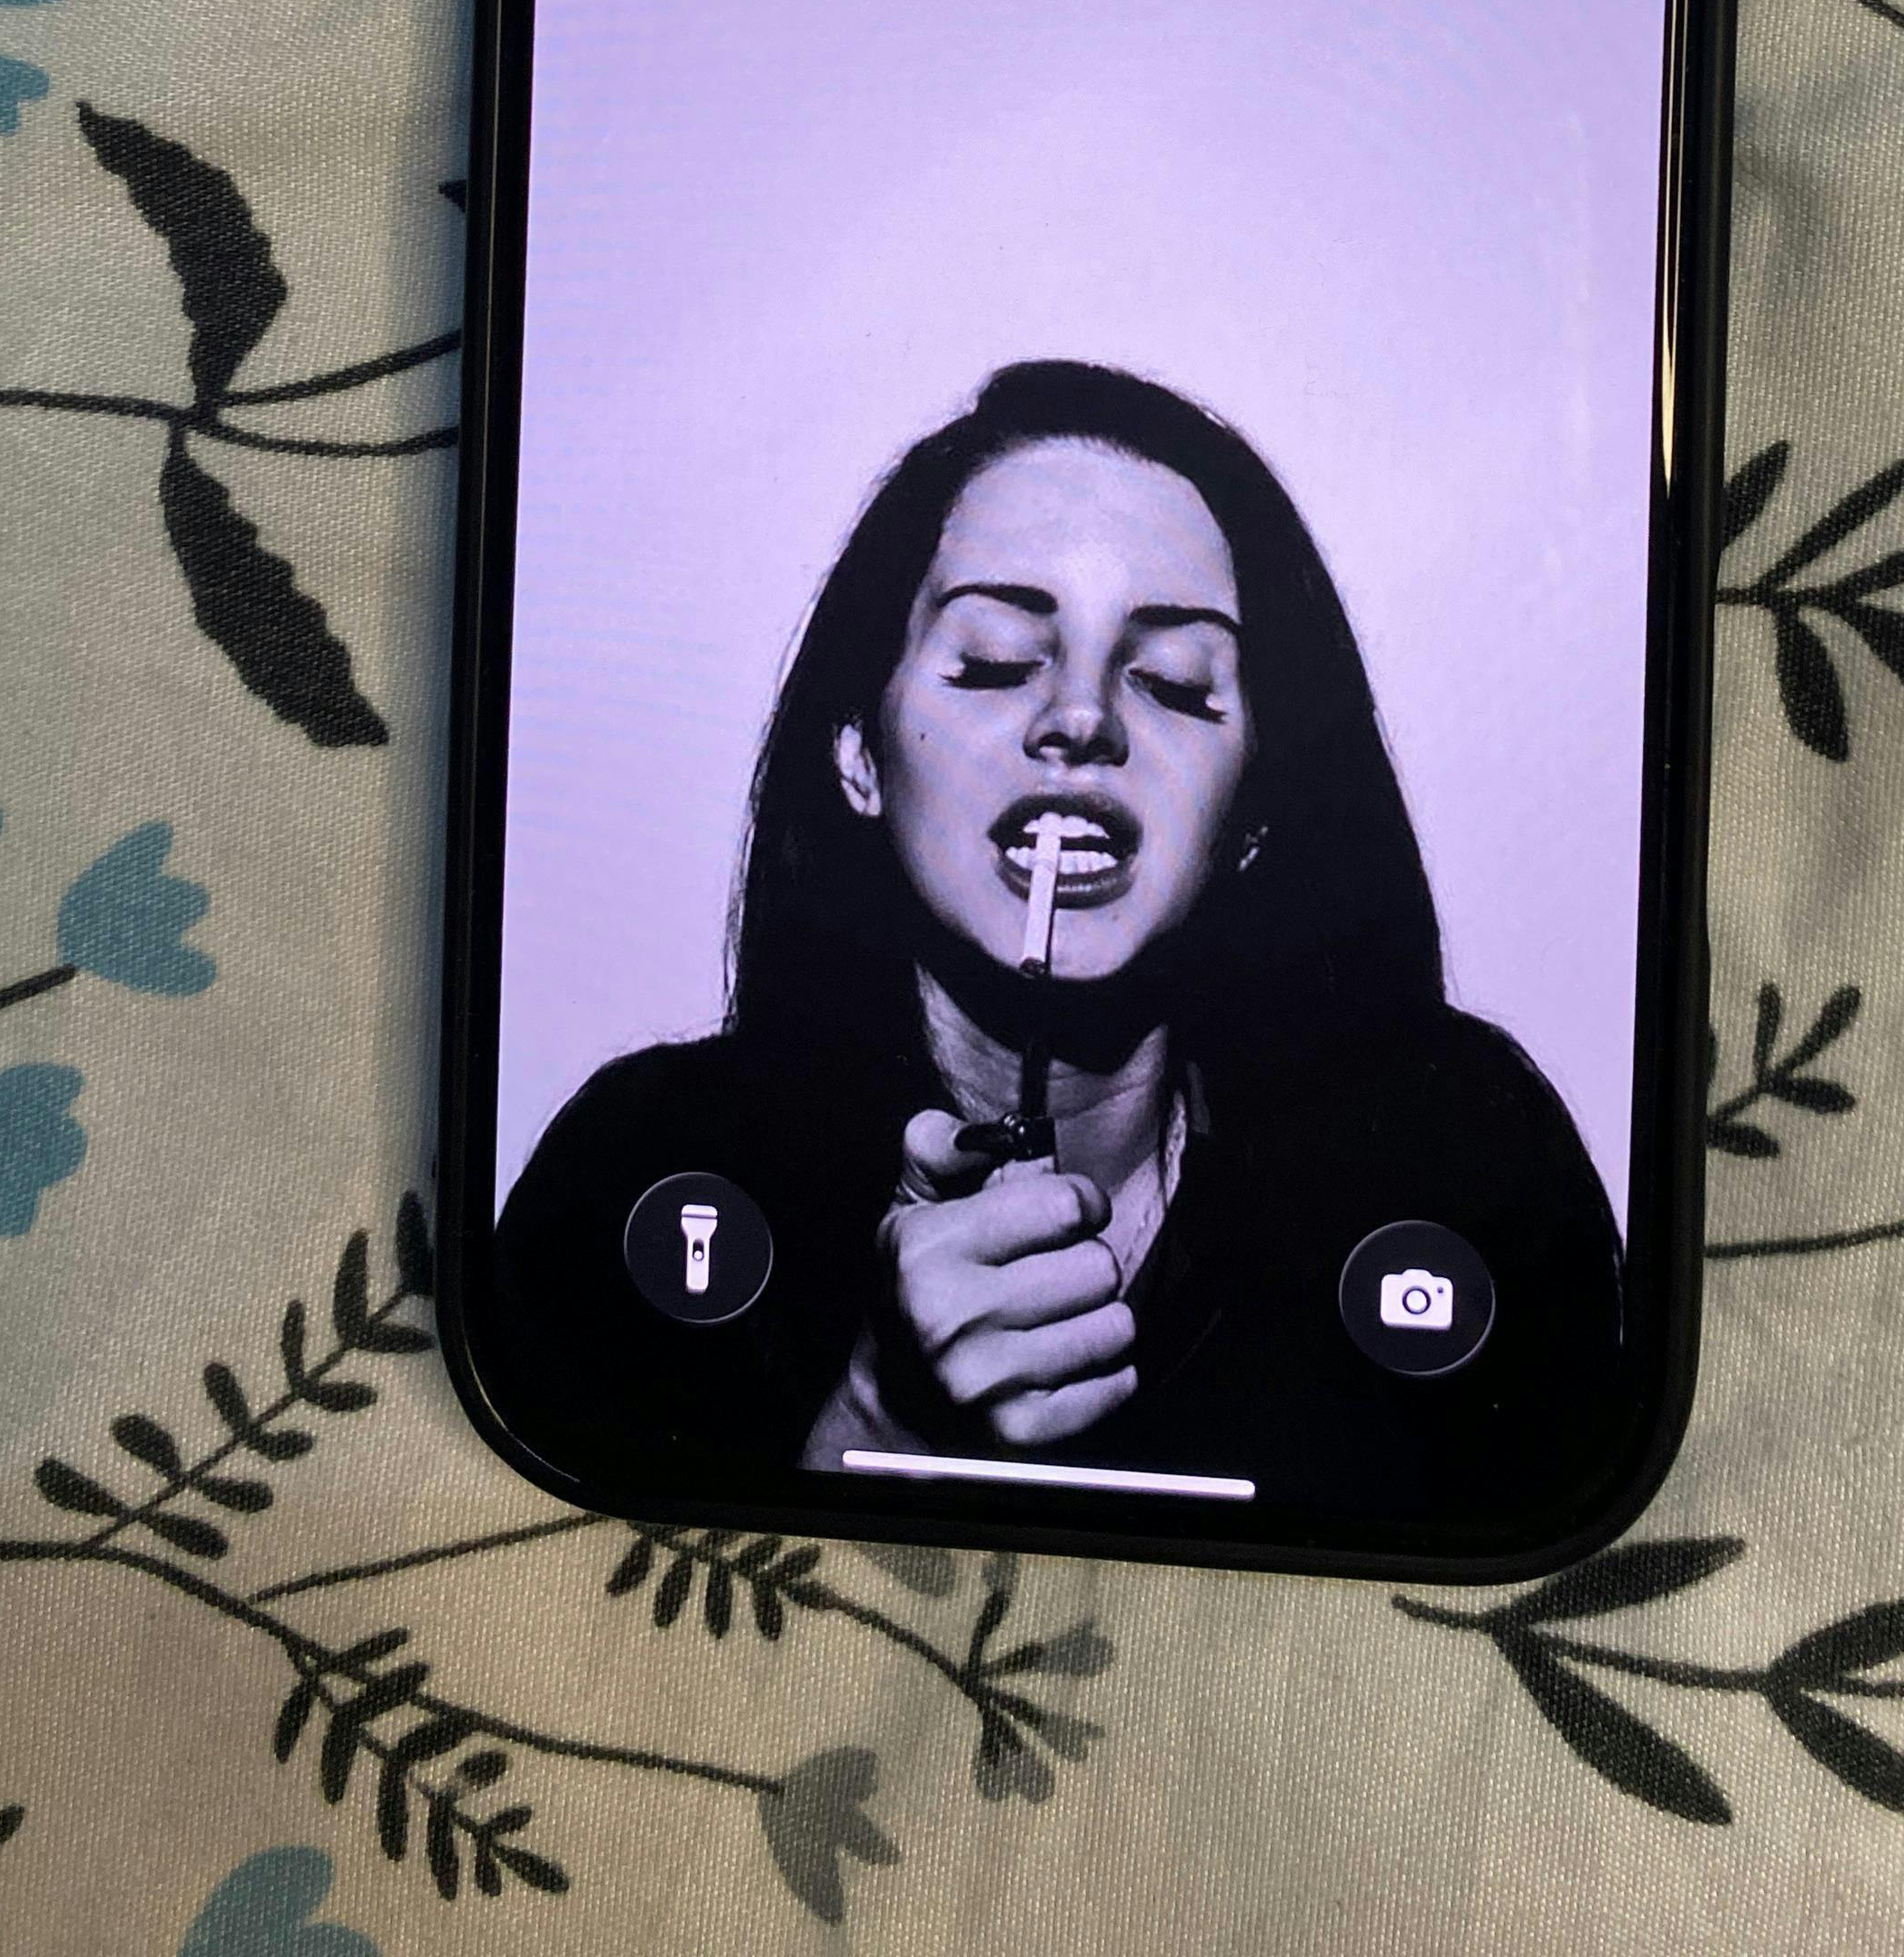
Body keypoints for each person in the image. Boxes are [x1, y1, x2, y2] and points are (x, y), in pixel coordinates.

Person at [490, 361, 1623, 1522]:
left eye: (1175, 682)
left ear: (1254, 816)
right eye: (993, 661)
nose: (1082, 719)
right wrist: (879, 1424)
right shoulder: (652, 1167)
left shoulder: (1461, 1153)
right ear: (858, 755)